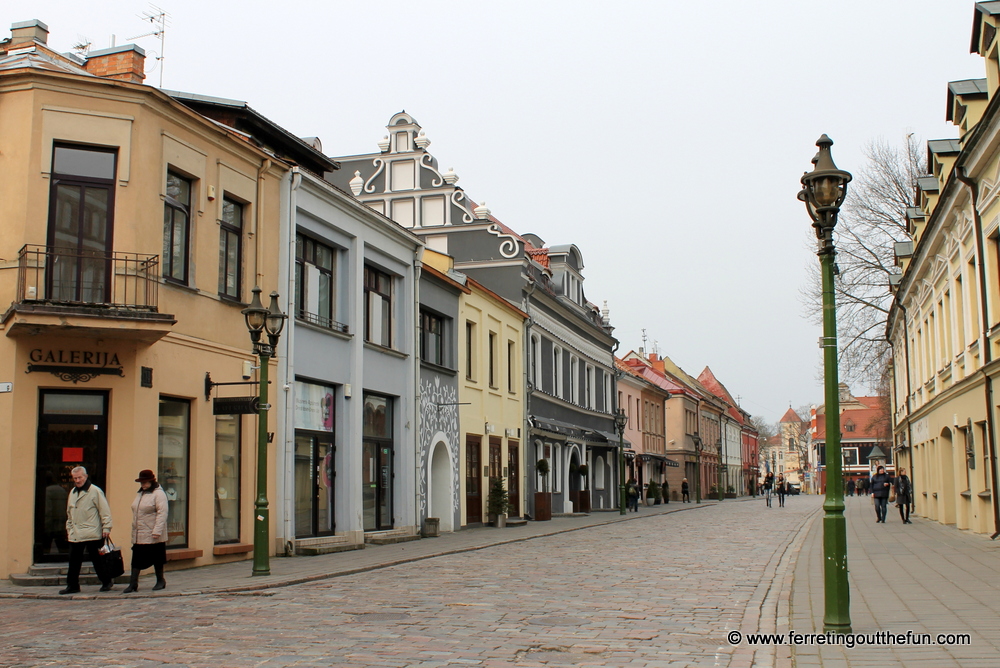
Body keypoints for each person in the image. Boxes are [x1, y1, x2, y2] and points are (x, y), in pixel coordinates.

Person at [60, 466, 113, 594]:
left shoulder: (94, 491)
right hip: (76, 533)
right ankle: (72, 585)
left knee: (98, 560)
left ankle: (106, 581)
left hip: (92, 532)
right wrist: (69, 528)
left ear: (86, 476)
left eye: (80, 477)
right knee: (74, 561)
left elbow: (104, 510)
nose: (77, 480)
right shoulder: (72, 492)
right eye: (75, 478)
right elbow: (69, 512)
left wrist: (106, 527)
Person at [123, 470, 169, 593]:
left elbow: (162, 513)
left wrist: (157, 531)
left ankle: (160, 580)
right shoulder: (141, 494)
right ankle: (133, 583)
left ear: (151, 481)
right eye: (141, 482)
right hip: (140, 532)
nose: (143, 484)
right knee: (136, 558)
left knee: (157, 558)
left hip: (153, 531)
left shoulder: (159, 494)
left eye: (145, 482)